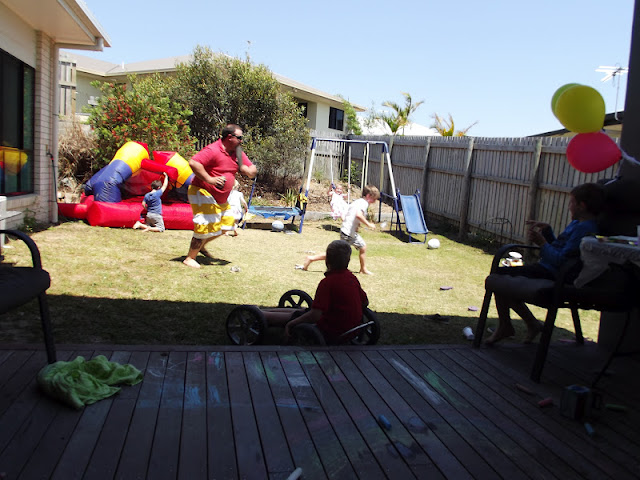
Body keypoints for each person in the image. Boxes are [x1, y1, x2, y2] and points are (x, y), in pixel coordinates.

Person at [485, 182, 605, 345]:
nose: (569, 206)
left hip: (556, 273)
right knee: (500, 276)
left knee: (499, 276)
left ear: (581, 205)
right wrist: (548, 233)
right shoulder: (577, 224)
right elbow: (560, 250)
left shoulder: (586, 230)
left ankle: (509, 326)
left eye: (571, 202)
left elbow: (561, 262)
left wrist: (542, 243)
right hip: (550, 268)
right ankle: (528, 324)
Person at [263, 240, 369, 343]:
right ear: (348, 260)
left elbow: (315, 315)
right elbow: (365, 302)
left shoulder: (327, 283)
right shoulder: (352, 278)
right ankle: (266, 312)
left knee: (294, 315)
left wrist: (291, 323)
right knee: (298, 311)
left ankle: (262, 314)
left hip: (330, 329)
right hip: (351, 328)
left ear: (327, 260)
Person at [183, 124, 257, 268]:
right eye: (239, 138)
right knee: (204, 225)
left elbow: (252, 169)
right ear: (229, 137)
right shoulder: (213, 150)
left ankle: (201, 246)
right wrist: (209, 179)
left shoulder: (237, 152)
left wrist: (248, 170)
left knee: (228, 223)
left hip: (220, 198)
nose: (241, 141)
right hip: (202, 191)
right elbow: (193, 162)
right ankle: (190, 258)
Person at [302, 185, 380, 275]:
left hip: (348, 231)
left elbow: (350, 214)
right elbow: (358, 215)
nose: (374, 202)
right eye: (374, 199)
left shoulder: (358, 202)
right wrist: (369, 224)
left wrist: (356, 225)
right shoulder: (364, 203)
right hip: (348, 232)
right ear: (368, 196)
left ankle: (363, 269)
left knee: (362, 247)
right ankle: (311, 258)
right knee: (337, 253)